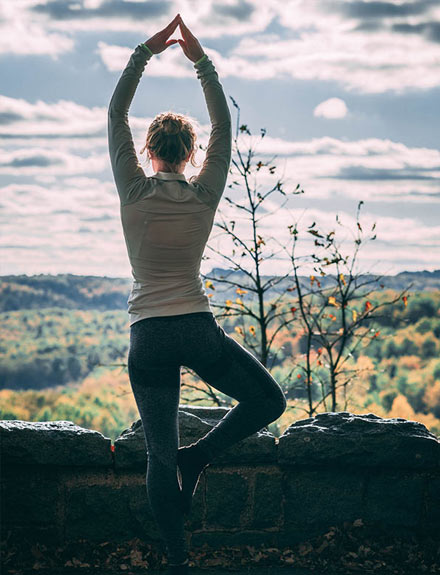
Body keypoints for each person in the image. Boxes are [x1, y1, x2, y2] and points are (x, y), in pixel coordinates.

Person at [107, 14, 287, 575]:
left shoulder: (132, 189)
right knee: (268, 401)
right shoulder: (204, 193)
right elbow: (224, 126)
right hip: (196, 327)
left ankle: (177, 556)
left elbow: (115, 113)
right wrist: (201, 62)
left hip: (148, 336)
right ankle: (202, 455)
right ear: (191, 153)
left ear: (147, 150)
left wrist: (145, 51)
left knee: (158, 454)